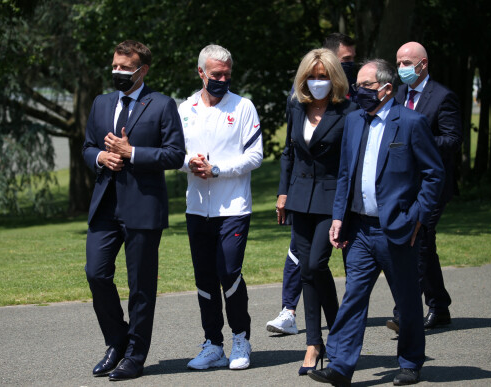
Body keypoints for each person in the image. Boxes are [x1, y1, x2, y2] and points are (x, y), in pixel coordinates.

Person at [309, 59, 444, 386]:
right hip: (359, 230)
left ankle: (410, 362)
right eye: (357, 86)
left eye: (366, 86)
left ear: (386, 89)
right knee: (354, 296)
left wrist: (417, 219)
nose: (359, 92)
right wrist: (339, 217)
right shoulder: (354, 121)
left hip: (397, 229)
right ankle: (341, 366)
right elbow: (345, 174)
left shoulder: (411, 123)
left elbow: (434, 175)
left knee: (407, 300)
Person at [82, 40, 186, 381]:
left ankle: (135, 356)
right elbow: (87, 147)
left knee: (140, 286)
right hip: (105, 204)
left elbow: (174, 154)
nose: (118, 72)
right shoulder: (100, 103)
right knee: (96, 273)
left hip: (143, 206)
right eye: (115, 66)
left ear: (143, 70)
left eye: (126, 68)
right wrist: (101, 157)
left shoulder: (162, 105)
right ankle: (117, 341)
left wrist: (132, 152)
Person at [267, 33, 358, 336]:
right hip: (299, 197)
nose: (318, 81)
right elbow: (289, 152)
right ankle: (315, 342)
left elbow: (350, 164)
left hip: (331, 199)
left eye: (324, 76)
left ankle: (337, 331)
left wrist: (344, 210)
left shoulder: (349, 111)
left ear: (335, 77)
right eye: (312, 76)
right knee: (306, 269)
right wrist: (282, 193)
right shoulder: (296, 106)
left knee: (316, 264)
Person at [179, 44, 263, 371]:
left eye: (227, 74)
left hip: (234, 206)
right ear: (201, 73)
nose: (223, 79)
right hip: (197, 207)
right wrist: (191, 163)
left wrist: (218, 169)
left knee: (228, 270)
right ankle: (213, 344)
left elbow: (255, 155)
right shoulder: (184, 109)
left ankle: (241, 337)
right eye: (216, 74)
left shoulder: (243, 107)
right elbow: (174, 153)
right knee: (204, 277)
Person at [385, 41, 463, 333]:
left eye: (407, 63)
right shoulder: (399, 94)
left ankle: (404, 314)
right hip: (403, 185)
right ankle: (439, 306)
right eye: (399, 62)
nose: (402, 68)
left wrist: (416, 144)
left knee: (416, 243)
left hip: (432, 185)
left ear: (423, 64)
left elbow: (453, 139)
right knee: (424, 245)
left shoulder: (443, 97)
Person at [323, 33, 357, 101]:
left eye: (353, 58)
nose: (352, 62)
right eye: (347, 58)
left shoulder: (356, 86)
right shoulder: (315, 86)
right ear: (330, 58)